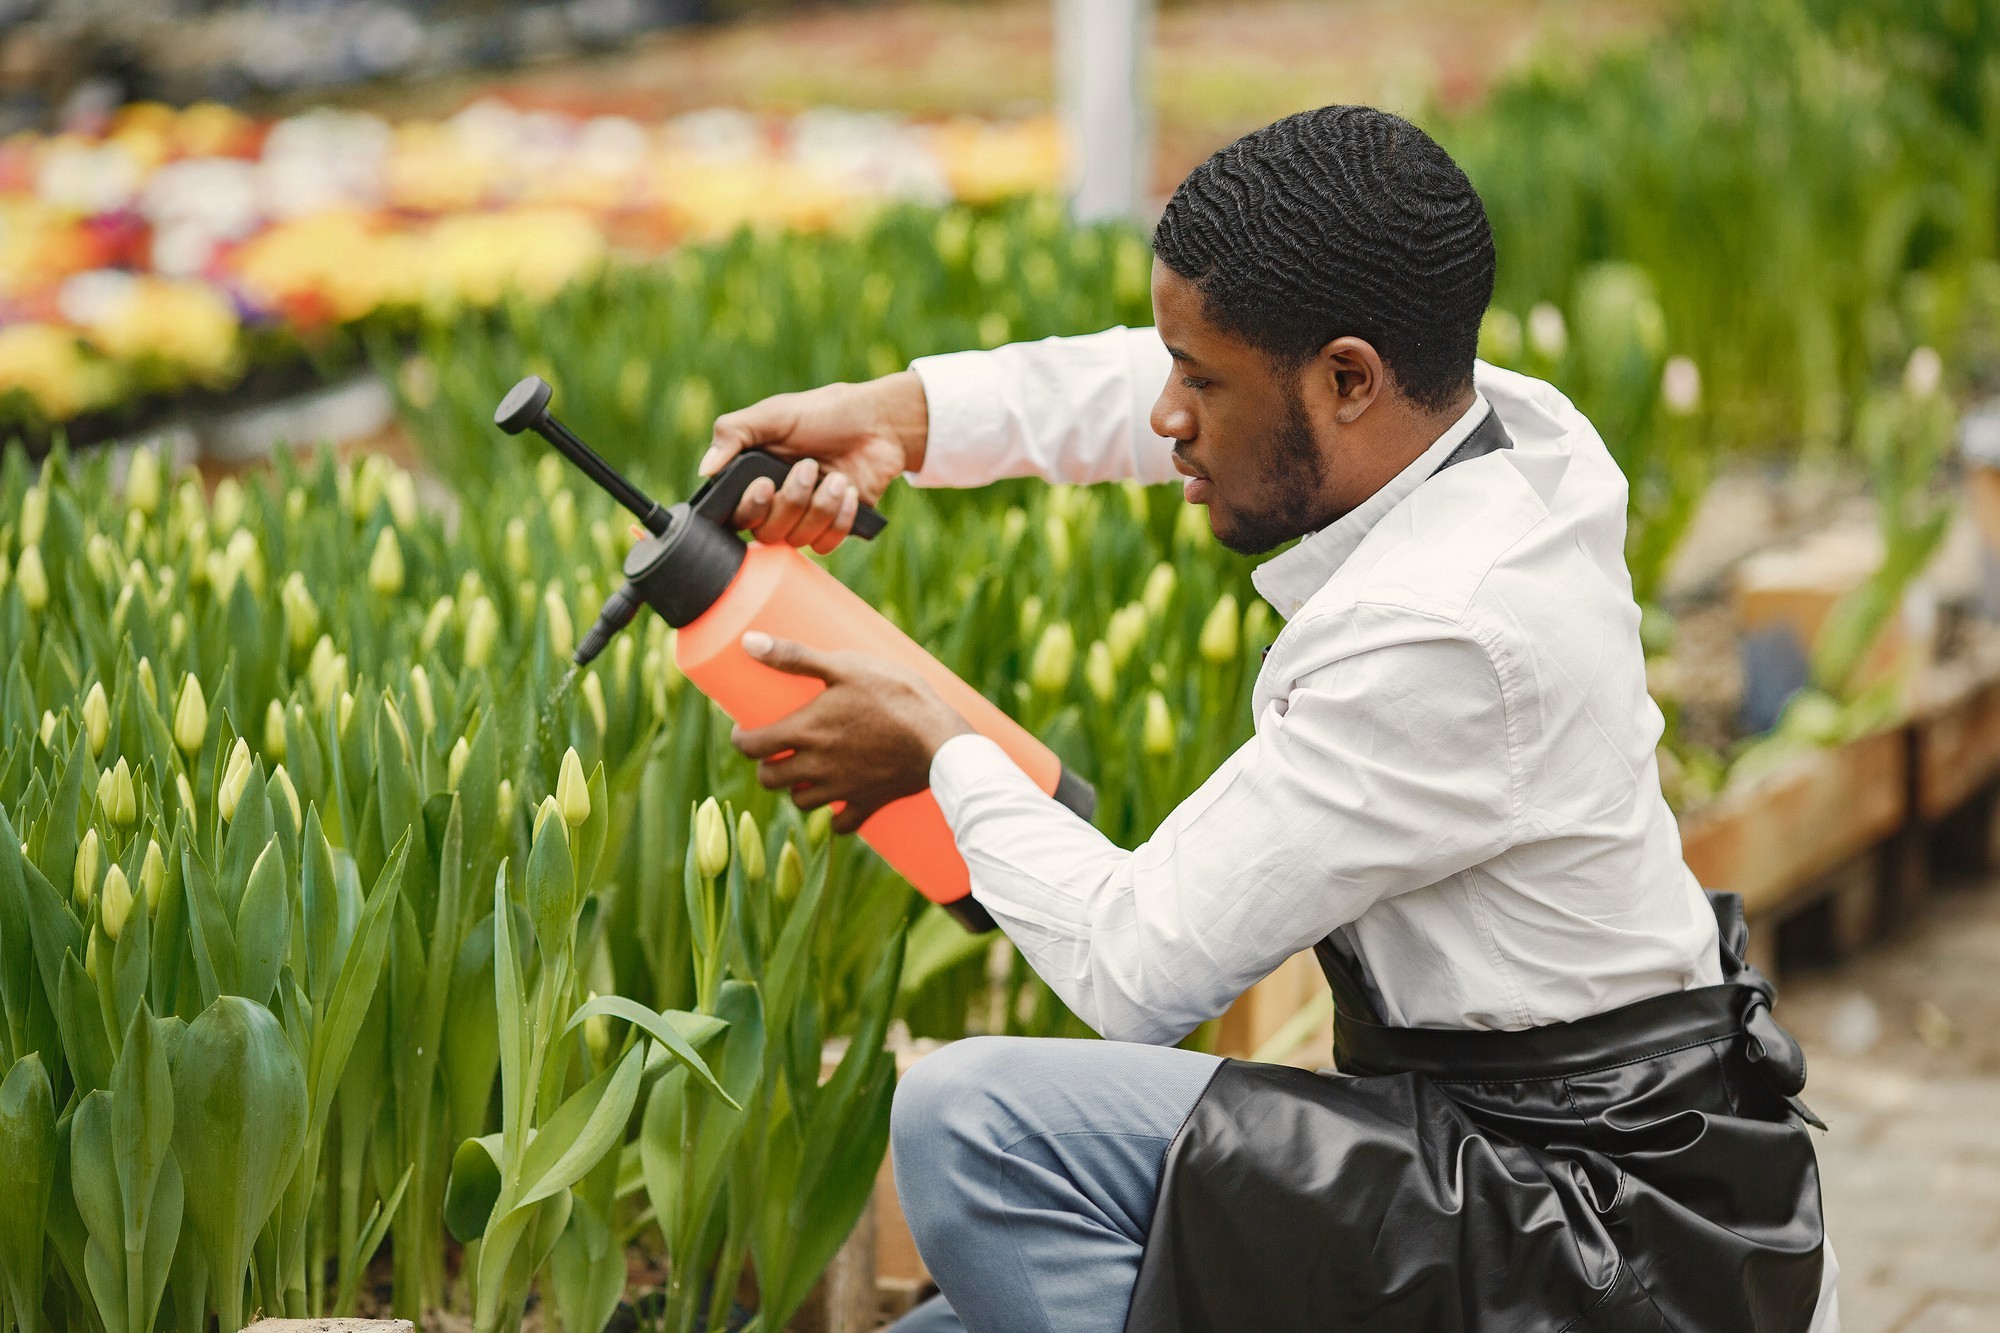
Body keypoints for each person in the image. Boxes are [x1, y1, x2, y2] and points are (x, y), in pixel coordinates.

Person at [702, 106, 1837, 1333]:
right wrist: (901, 416)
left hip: (1596, 1241)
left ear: (1347, 377)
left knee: (971, 1125)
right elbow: (1166, 381)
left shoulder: (1447, 634)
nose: (1166, 416)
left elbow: (1133, 968)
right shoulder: (1487, 425)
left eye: (1199, 383)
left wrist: (938, 750)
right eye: (1172, 368)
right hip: (1521, 1155)